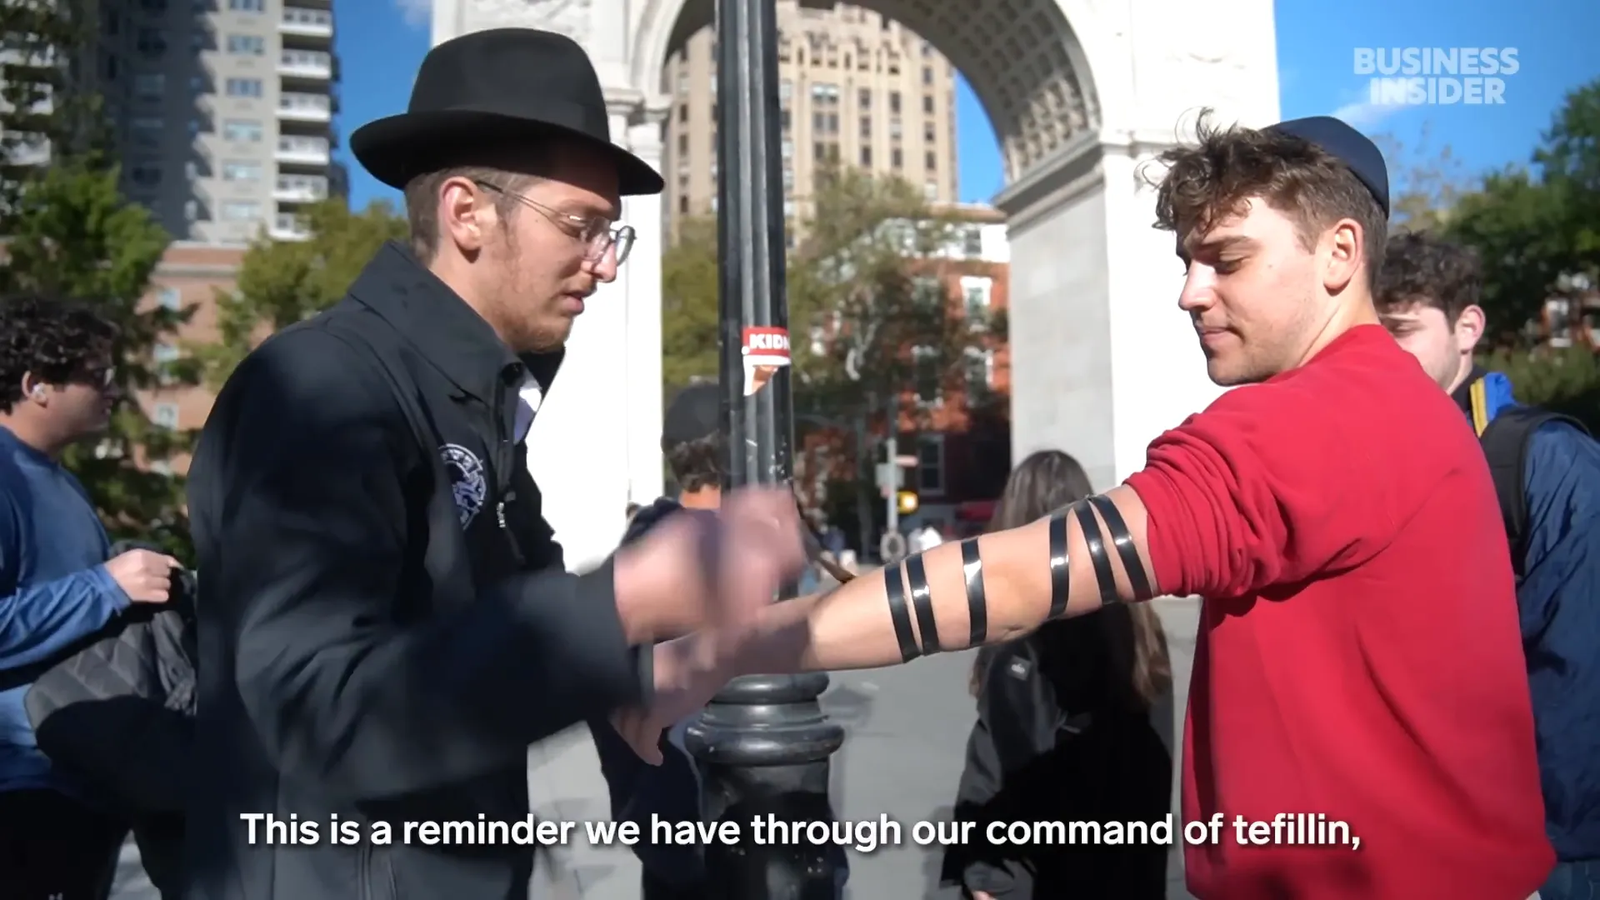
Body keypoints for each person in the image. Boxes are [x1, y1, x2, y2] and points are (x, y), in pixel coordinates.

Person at [616, 113, 1556, 898]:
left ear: (1340, 253)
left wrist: (730, 649)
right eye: (1188, 260)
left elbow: (1016, 577)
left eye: (1225, 260)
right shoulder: (1398, 410)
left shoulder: (1322, 421)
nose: (1191, 293)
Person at [182, 29, 806, 900]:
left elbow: (518, 628)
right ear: (467, 212)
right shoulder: (320, 386)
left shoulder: (478, 404)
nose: (603, 267)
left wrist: (646, 673)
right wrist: (625, 601)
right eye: (582, 228)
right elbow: (315, 714)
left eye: (611, 236)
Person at [1378, 232, 1600, 900]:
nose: (1380, 356)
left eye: (1402, 331)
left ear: (1467, 327)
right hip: (1409, 831)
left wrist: (1536, 847)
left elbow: (1579, 676)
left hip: (1547, 845)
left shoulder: (1549, 460)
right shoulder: (1369, 457)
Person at [0, 293, 184, 899]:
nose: (114, 391)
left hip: (84, 778)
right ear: (37, 385)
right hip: (22, 789)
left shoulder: (60, 480)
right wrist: (107, 583)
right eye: (97, 375)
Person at [943, 450, 1172, 900]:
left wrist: (987, 875)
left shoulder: (1026, 639)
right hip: (1131, 867)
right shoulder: (1138, 626)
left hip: (1042, 875)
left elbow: (1006, 765)